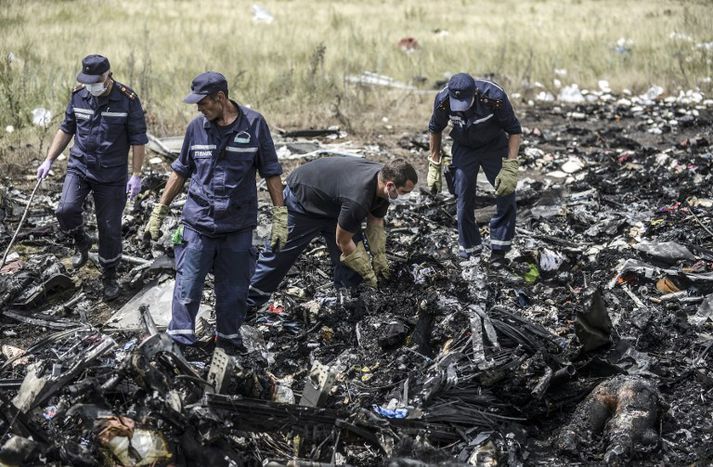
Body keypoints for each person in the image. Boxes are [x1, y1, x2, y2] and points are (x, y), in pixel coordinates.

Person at [144, 71, 286, 355]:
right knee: (187, 286)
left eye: (203, 102)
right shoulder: (196, 129)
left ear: (220, 98)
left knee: (234, 292)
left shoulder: (254, 125)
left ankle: (229, 344)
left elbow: (271, 172)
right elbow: (180, 171)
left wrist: (280, 217)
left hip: (238, 225)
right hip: (199, 222)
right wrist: (160, 210)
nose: (198, 108)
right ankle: (180, 345)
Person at [36, 54, 148, 300]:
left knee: (109, 228)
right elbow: (67, 128)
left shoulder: (127, 100)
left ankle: (109, 276)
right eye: (87, 81)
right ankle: (82, 241)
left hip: (112, 173)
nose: (91, 86)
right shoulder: (79, 95)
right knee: (65, 209)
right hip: (80, 166)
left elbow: (138, 139)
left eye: (96, 81)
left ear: (108, 76)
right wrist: (49, 159)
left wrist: (137, 174)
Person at [246, 157, 417, 311]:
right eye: (404, 192)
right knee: (279, 253)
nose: (406, 196)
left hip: (336, 204)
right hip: (303, 200)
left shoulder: (384, 180)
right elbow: (343, 241)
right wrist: (367, 271)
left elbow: (376, 222)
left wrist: (379, 257)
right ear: (389, 186)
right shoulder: (359, 198)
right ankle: (248, 303)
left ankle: (348, 302)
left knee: (351, 267)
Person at [427, 72, 522, 267]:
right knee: (463, 196)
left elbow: (514, 130)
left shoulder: (494, 96)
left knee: (506, 193)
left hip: (494, 146)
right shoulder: (443, 100)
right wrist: (434, 164)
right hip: (464, 147)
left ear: (475, 93)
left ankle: (499, 251)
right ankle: (470, 251)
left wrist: (511, 165)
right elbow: (435, 128)